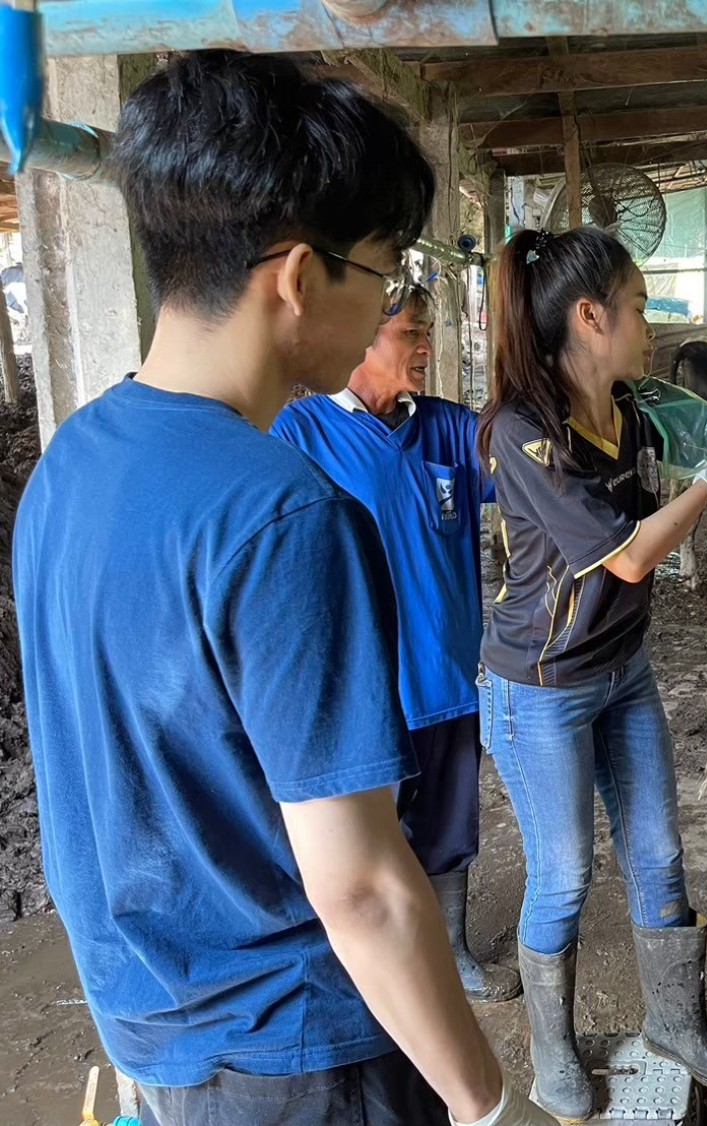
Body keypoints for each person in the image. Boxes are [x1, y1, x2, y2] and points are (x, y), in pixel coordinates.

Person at [13, 52, 551, 1126]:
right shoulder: (288, 514)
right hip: (301, 1056)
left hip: (153, 1026)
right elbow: (363, 887)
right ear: (299, 277)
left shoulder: (70, 461)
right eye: (384, 273)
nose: (391, 308)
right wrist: (483, 1099)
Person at [476, 226, 707, 1122]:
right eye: (639, 307)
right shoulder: (523, 431)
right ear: (590, 317)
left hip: (621, 668)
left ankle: (675, 1023)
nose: (651, 325)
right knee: (564, 874)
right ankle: (552, 1048)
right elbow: (633, 557)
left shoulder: (632, 407)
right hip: (540, 688)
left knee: (659, 850)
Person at [271, 286, 520, 1003]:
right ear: (362, 335)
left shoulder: (451, 430)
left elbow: (526, 476)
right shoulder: (300, 434)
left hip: (447, 680)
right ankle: (367, 977)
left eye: (428, 330)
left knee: (447, 829)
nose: (426, 346)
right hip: (361, 690)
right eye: (411, 332)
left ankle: (449, 955)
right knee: (359, 844)